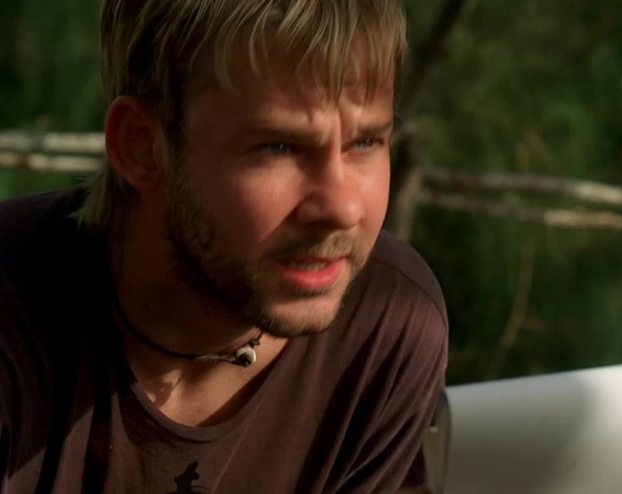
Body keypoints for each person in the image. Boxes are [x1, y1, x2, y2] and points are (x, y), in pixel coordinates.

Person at [0, 0, 448, 492]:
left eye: (365, 143)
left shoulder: (386, 329)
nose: (342, 209)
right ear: (141, 146)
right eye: (278, 147)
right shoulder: (15, 325)